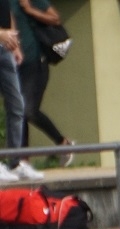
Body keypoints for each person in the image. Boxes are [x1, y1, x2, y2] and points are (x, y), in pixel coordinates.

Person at [13, 0, 73, 167]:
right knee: (18, 111)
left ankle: (63, 143)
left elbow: (55, 18)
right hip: (15, 66)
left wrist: (29, 9)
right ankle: (23, 161)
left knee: (29, 110)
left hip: (36, 63)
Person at [0, 0, 41, 182]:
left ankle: (15, 163)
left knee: (17, 105)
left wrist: (15, 45)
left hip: (5, 49)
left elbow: (7, 11)